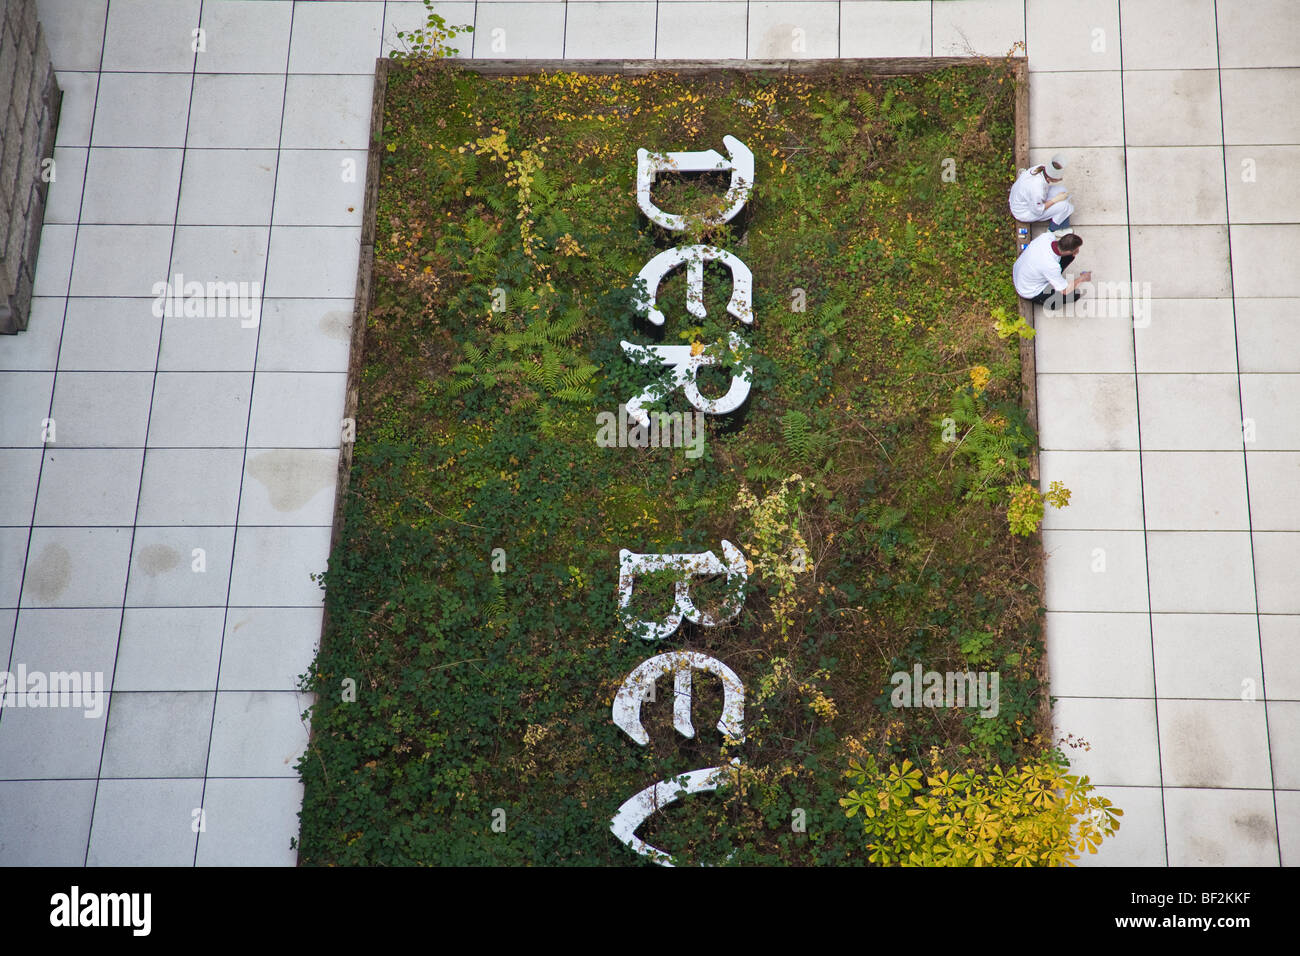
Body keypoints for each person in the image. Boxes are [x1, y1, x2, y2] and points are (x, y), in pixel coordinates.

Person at [1013, 231, 1091, 309]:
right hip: (1027, 290)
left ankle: (1054, 280)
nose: (1078, 251)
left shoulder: (1047, 237)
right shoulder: (1051, 266)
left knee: (1069, 257)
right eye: (1076, 249)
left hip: (1019, 271)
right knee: (1074, 295)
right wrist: (1082, 278)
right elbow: (1065, 291)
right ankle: (1049, 302)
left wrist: (1072, 254)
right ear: (1068, 251)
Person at [1009, 154, 1072, 232]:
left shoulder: (1041, 168)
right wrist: (1055, 200)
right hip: (1024, 211)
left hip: (1022, 199)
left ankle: (1056, 214)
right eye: (1058, 179)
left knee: (1063, 190)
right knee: (1065, 206)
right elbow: (1037, 210)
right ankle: (1054, 229)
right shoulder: (1037, 189)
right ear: (1049, 179)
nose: (1061, 179)